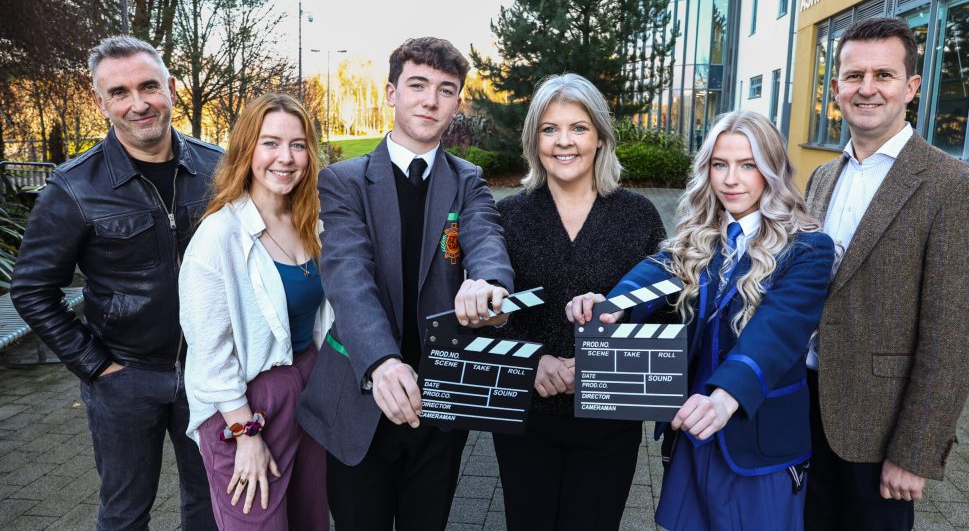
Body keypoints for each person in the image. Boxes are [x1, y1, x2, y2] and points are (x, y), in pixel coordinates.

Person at [569, 110, 835, 530]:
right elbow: (656, 269)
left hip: (754, 437)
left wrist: (726, 396)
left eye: (748, 165)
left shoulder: (808, 247)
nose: (731, 179)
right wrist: (610, 305)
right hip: (693, 428)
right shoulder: (700, 235)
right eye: (720, 164)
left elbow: (779, 329)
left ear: (772, 170)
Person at [295, 37, 514, 531]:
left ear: (458, 102)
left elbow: (486, 240)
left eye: (446, 90)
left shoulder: (468, 180)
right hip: (360, 398)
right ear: (391, 93)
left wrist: (489, 283)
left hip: (439, 403)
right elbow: (348, 276)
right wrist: (382, 362)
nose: (430, 100)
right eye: (418, 86)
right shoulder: (344, 181)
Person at [10, 36, 221, 530]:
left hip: (212, 375)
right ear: (101, 102)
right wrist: (96, 365)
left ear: (171, 87)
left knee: (213, 508)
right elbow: (31, 289)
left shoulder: (219, 167)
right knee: (125, 515)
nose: (138, 103)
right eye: (120, 92)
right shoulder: (73, 187)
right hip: (125, 380)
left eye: (149, 86)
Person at [803, 17, 969, 530]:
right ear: (836, 87)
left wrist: (916, 450)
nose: (866, 89)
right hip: (803, 410)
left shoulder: (955, 187)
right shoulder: (824, 176)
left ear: (911, 87)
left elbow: (956, 336)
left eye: (883, 75)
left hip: (880, 431)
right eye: (853, 75)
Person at [492, 74, 666, 530]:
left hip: (610, 419)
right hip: (526, 416)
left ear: (601, 137)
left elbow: (665, 312)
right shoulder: (507, 216)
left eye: (578, 128)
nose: (563, 142)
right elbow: (489, 315)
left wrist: (602, 354)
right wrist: (533, 362)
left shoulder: (638, 216)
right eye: (549, 129)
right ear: (534, 139)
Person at [179, 93, 331, 529]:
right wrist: (245, 434)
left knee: (310, 520)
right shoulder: (219, 235)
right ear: (247, 150)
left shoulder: (312, 221)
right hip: (245, 404)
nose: (286, 158)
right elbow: (208, 350)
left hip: (306, 386)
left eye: (298, 144)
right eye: (270, 143)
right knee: (255, 522)